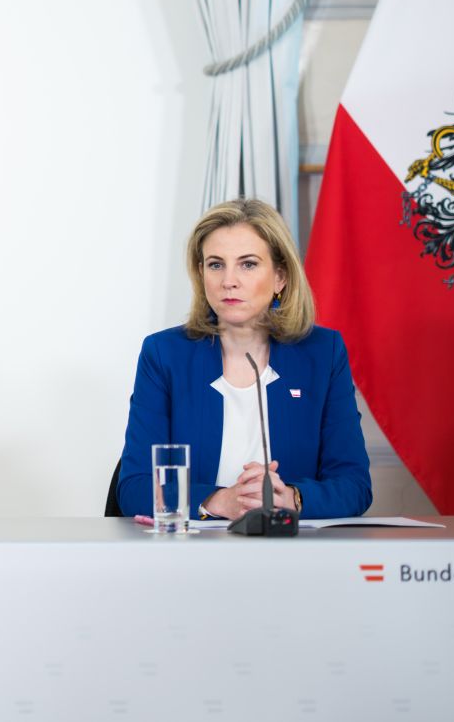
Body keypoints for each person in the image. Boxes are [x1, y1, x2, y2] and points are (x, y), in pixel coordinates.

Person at [117, 198, 371, 521]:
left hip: (294, 558)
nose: (228, 281)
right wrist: (217, 500)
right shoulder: (165, 355)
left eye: (248, 264)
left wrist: (293, 497)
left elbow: (355, 485)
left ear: (280, 276)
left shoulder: (322, 353)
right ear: (201, 273)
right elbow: (134, 487)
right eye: (216, 264)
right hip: (191, 560)